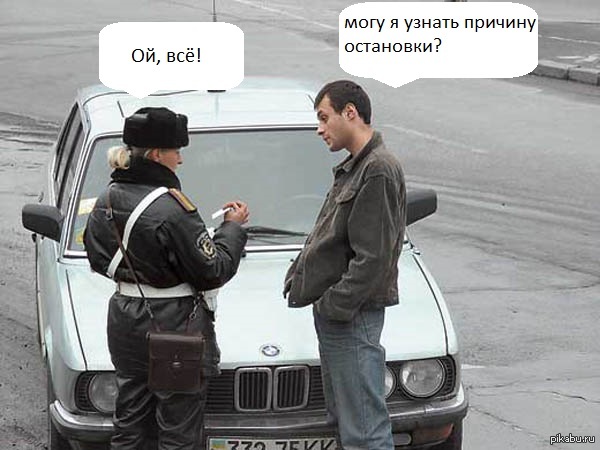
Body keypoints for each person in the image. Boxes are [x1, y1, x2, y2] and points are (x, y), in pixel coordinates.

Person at [84, 106, 248, 450]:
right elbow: (213, 270)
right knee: (178, 431)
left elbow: (98, 259)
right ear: (157, 155)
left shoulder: (105, 199)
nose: (181, 159)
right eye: (176, 151)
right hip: (174, 326)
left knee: (129, 423)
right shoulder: (173, 209)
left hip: (125, 319)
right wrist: (231, 229)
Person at [284, 80, 406, 450]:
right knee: (349, 424)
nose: (319, 129)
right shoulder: (357, 166)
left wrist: (333, 305)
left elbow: (374, 258)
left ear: (349, 113)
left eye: (324, 118)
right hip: (343, 317)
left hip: (353, 316)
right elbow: (332, 235)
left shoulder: (378, 169)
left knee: (365, 432)